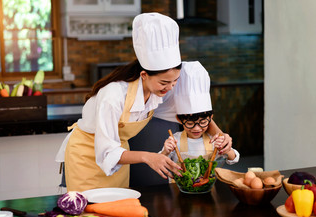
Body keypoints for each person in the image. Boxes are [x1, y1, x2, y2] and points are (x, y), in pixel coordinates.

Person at [56, 13, 233, 192]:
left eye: (175, 81)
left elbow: (194, 114)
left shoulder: (160, 91)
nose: (170, 88)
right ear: (144, 75)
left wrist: (221, 137)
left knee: (119, 211)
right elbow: (106, 152)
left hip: (121, 156)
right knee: (88, 213)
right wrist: (149, 157)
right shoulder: (113, 96)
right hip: (87, 156)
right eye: (164, 82)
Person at [160, 61, 240, 164]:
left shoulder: (213, 140)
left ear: (210, 118)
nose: (197, 128)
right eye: (190, 123)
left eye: (202, 122)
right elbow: (161, 160)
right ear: (180, 120)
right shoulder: (175, 140)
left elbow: (234, 159)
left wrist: (226, 149)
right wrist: (166, 151)